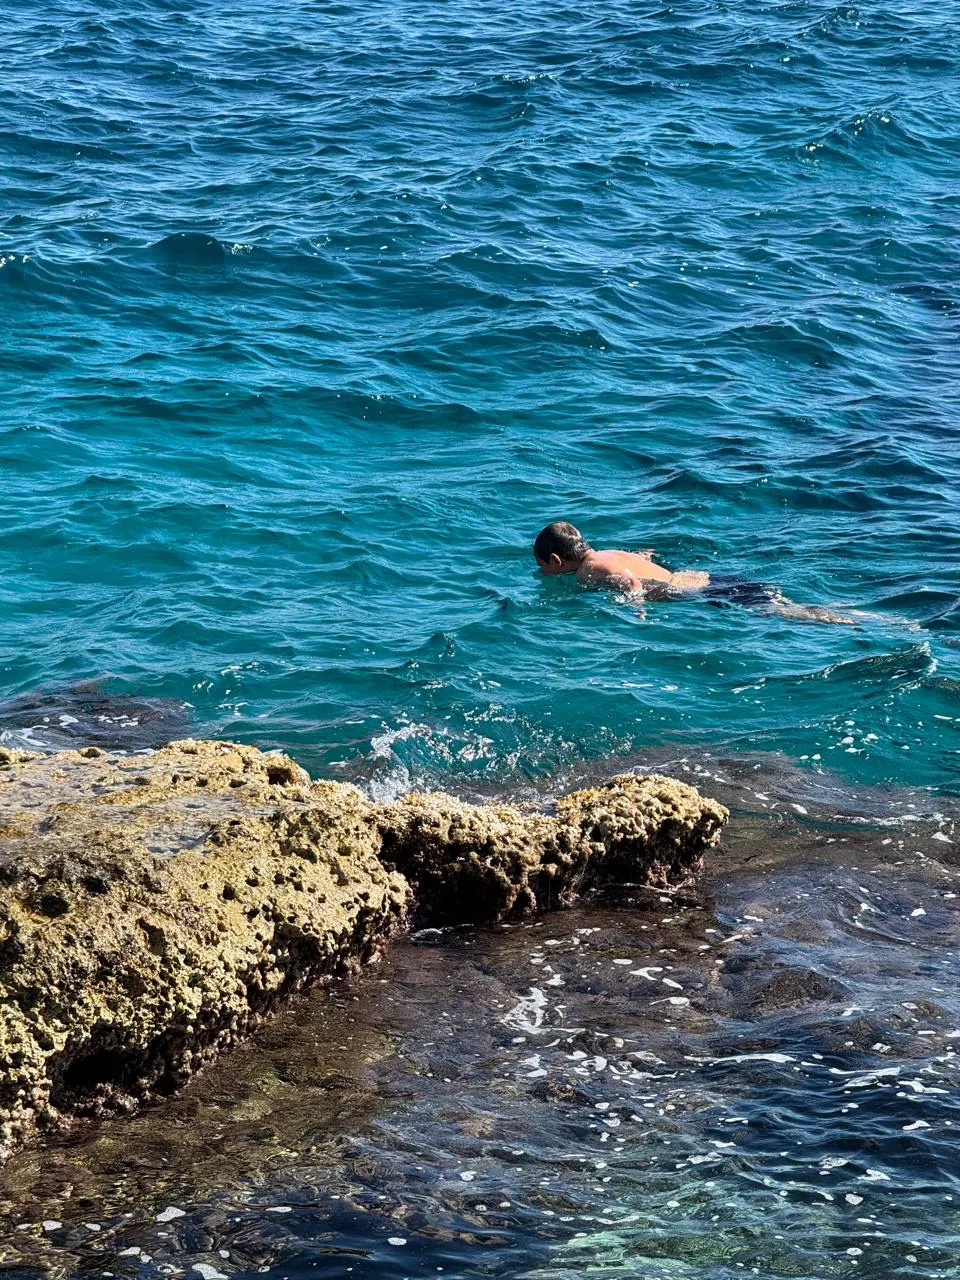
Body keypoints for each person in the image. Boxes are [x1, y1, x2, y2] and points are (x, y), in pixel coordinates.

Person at [532, 521, 855, 624]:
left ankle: (853, 620)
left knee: (788, 613)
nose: (543, 572)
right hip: (704, 578)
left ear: (556, 561)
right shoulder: (608, 552)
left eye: (542, 566)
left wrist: (636, 609)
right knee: (785, 605)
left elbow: (629, 581)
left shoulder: (587, 571)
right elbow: (640, 559)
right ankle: (858, 615)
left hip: (697, 593)